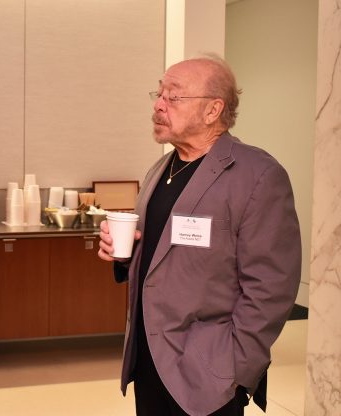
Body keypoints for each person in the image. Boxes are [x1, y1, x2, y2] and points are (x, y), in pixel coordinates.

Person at [98, 55, 301, 416]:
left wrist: (233, 368)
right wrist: (124, 255)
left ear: (212, 110)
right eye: (159, 94)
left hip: (209, 373)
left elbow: (271, 287)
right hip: (150, 360)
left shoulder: (257, 175)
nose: (159, 105)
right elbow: (162, 257)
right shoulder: (161, 169)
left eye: (174, 96)